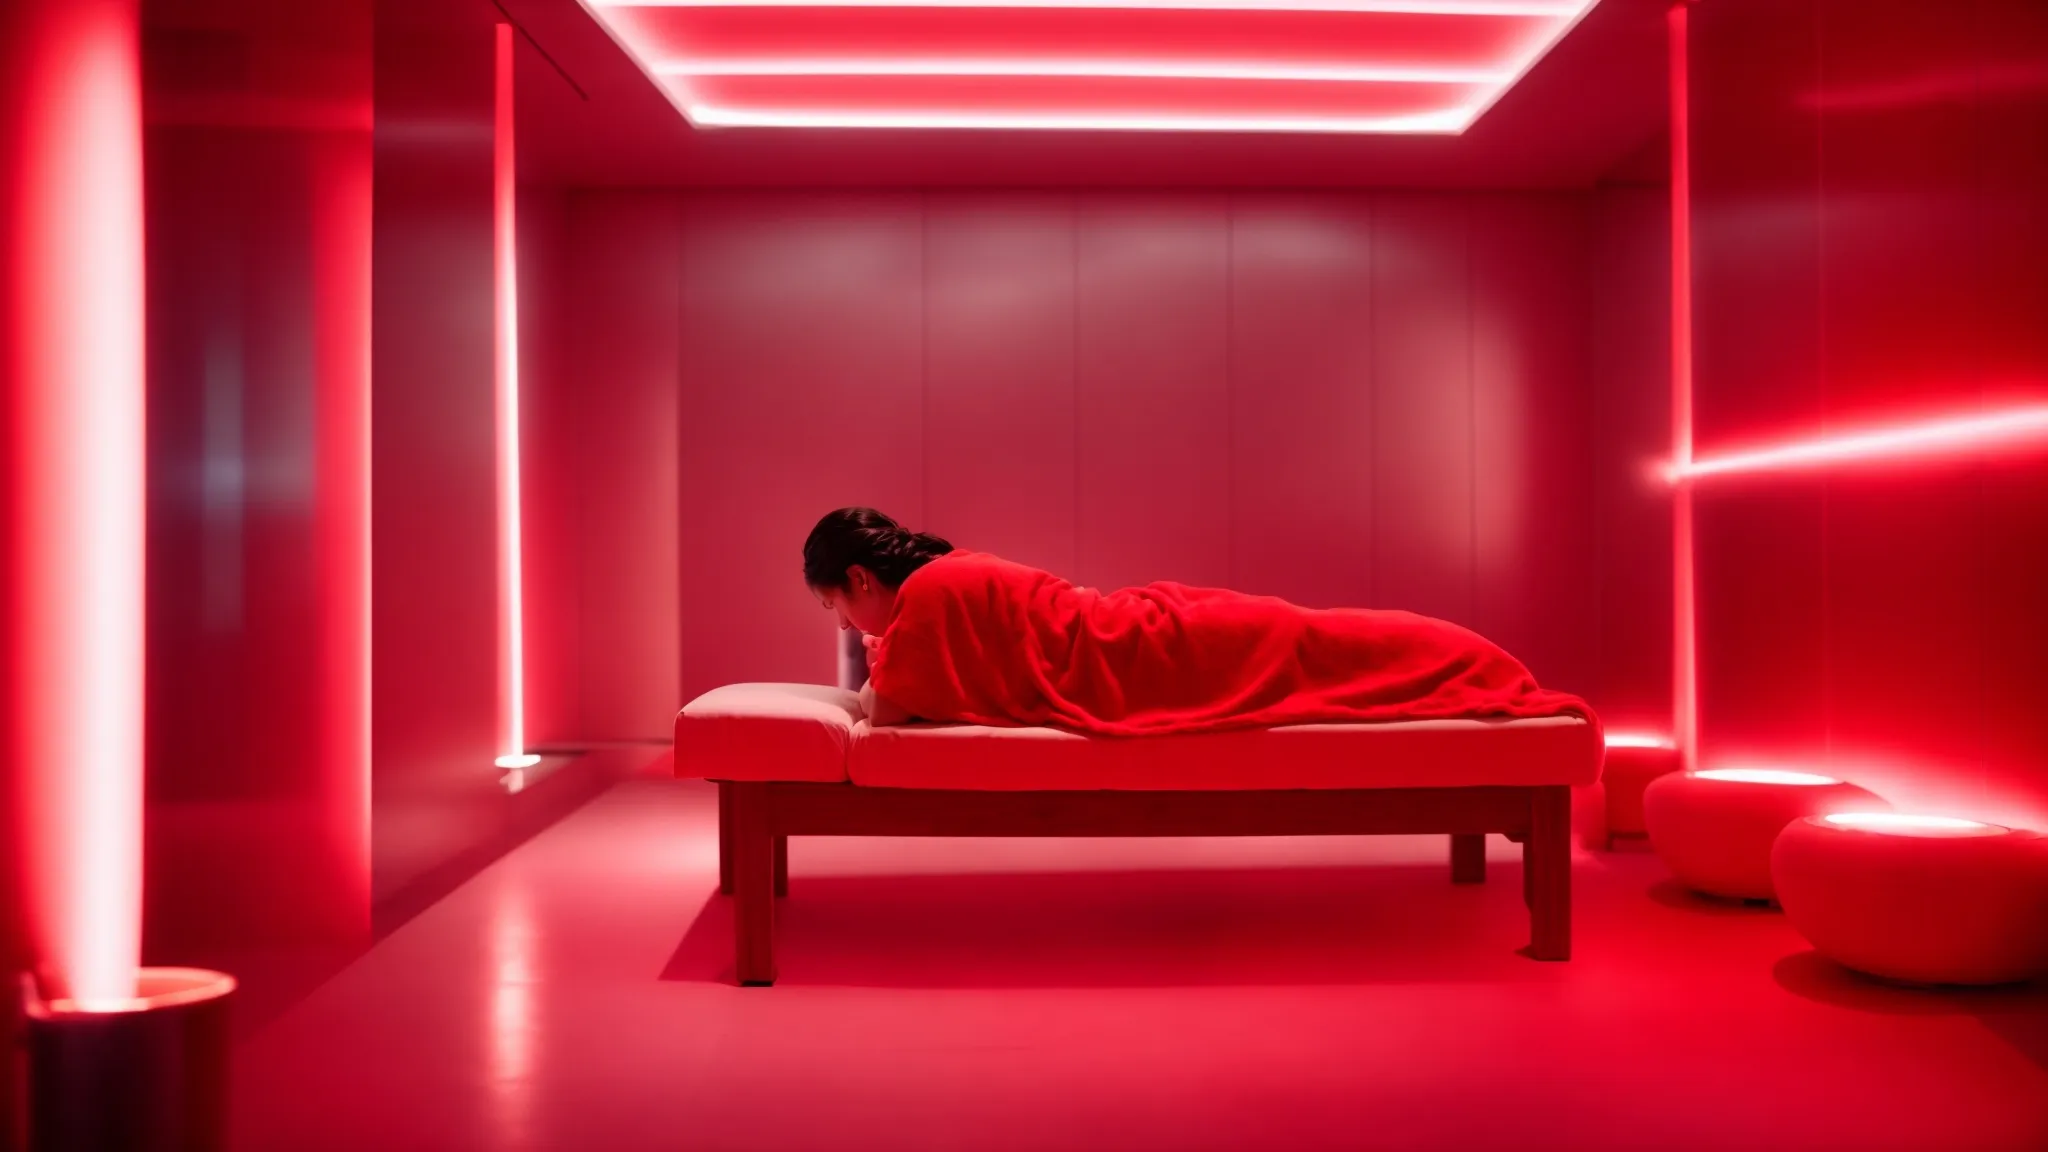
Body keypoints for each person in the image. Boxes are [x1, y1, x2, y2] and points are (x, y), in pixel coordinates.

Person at [801, 506, 1594, 737]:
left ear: (861, 578)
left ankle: (1480, 672)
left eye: (836, 605)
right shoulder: (945, 577)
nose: (844, 624)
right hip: (1152, 631)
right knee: (1322, 641)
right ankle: (1473, 666)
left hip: (1152, 652)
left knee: (1326, 649)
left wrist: (874, 657)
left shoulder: (930, 598)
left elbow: (893, 707)